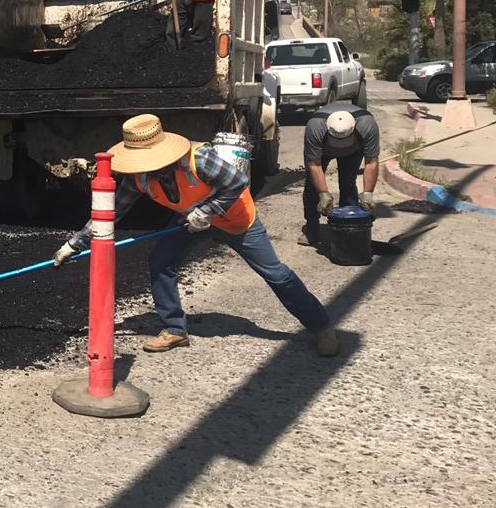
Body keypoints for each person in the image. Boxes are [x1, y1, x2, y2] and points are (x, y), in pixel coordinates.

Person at [53, 114, 339, 357]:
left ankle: (321, 326)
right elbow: (112, 213)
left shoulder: (199, 158)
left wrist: (207, 212)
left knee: (275, 273)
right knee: (161, 262)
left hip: (236, 220)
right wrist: (74, 244)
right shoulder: (139, 177)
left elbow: (238, 181)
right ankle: (175, 329)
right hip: (188, 220)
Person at [299, 104, 380, 247]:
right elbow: (315, 165)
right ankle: (312, 227)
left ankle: (350, 227)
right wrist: (323, 193)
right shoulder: (315, 128)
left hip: (354, 150)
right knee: (312, 187)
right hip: (323, 150)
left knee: (348, 181)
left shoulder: (367, 125)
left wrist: (368, 193)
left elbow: (371, 162)